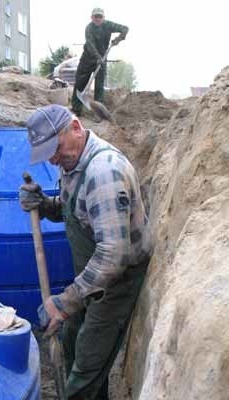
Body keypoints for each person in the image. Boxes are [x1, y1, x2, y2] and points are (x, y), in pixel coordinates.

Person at [19, 104, 152, 400]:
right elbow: (77, 212)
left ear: (76, 128)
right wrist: (43, 205)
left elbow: (112, 255)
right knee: (71, 340)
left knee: (85, 373)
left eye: (56, 148)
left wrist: (64, 303)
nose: (53, 158)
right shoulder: (73, 163)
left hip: (116, 282)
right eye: (47, 153)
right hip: (93, 277)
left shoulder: (104, 172)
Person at [71, 7, 128, 116]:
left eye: (100, 16)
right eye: (95, 16)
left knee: (99, 87)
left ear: (103, 18)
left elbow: (125, 28)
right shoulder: (89, 28)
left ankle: (98, 112)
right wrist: (97, 57)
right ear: (91, 17)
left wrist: (119, 39)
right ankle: (76, 109)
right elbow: (90, 44)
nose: (97, 19)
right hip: (87, 59)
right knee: (80, 83)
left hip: (102, 58)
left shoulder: (108, 25)